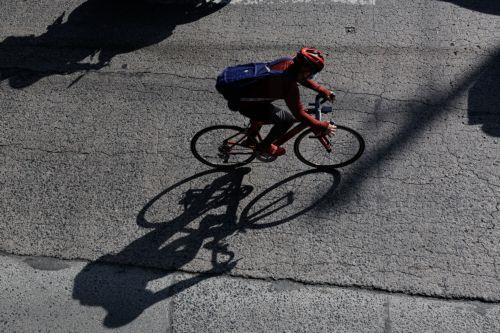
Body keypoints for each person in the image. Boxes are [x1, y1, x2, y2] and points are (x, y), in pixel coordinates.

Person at [228, 47, 337, 157]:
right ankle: (265, 146)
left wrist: (322, 90)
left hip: (250, 95)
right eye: (311, 73)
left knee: (265, 114)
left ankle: (250, 140)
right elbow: (299, 114)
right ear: (304, 69)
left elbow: (299, 77)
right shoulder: (288, 84)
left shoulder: (288, 62)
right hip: (247, 103)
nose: (310, 76)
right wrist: (322, 125)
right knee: (287, 120)